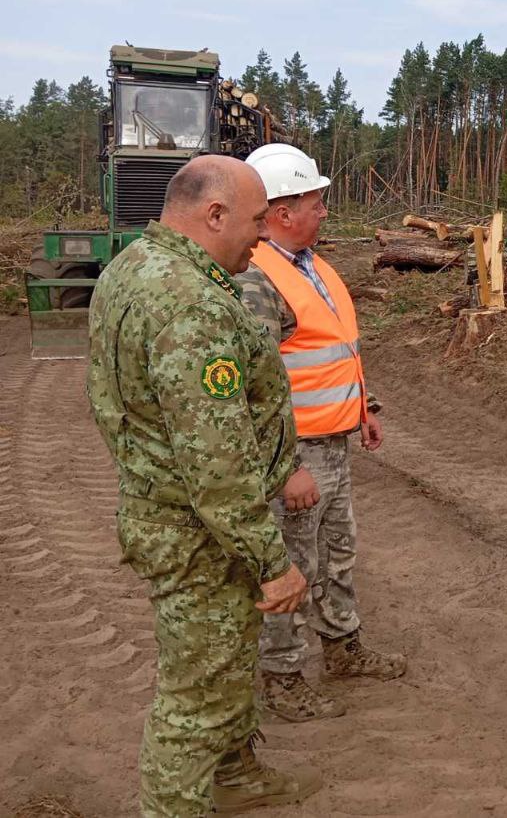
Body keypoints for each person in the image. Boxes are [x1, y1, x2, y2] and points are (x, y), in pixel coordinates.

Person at [86, 155, 324, 816]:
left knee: (224, 664)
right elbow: (215, 463)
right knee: (194, 703)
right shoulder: (188, 300)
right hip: (199, 532)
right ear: (213, 214)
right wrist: (272, 563)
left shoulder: (132, 269)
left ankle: (238, 774)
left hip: (180, 517)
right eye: (254, 221)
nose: (259, 235)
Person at [236, 143, 406, 723]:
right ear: (282, 211)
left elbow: (332, 350)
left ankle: (342, 648)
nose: (324, 210)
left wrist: (365, 406)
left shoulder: (314, 265)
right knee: (289, 567)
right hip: (296, 454)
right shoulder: (257, 280)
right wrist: (285, 468)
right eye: (316, 200)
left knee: (338, 553)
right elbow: (254, 388)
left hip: (332, 442)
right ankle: (282, 675)